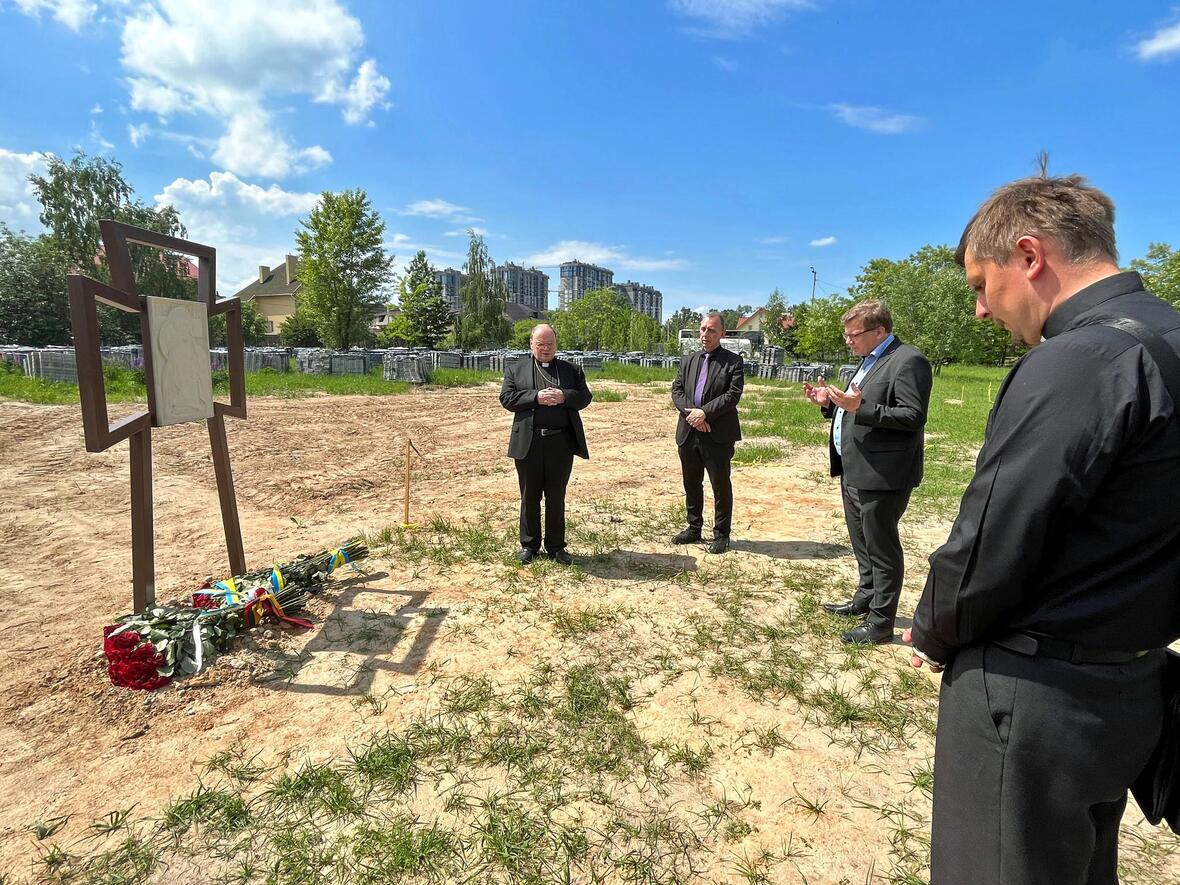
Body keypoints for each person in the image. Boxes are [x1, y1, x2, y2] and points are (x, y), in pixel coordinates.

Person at [905, 171, 1180, 884]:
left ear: (1029, 256)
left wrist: (933, 627)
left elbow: (995, 533)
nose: (979, 311)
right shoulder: (1168, 341)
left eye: (979, 283)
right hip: (1132, 687)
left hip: (1033, 699)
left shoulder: (1078, 360)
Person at [803, 300, 932, 645]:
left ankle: (880, 623)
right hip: (855, 468)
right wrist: (830, 405)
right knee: (862, 542)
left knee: (882, 547)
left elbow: (912, 416)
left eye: (853, 335)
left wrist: (860, 406)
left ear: (879, 331)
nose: (848, 341)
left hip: (883, 473)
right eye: (846, 335)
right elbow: (855, 409)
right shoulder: (868, 362)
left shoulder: (908, 361)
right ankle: (865, 597)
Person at [499, 324, 592, 565]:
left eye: (550, 344)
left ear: (556, 344)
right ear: (531, 344)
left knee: (556, 496)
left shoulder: (571, 370)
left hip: (560, 443)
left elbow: (585, 397)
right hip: (528, 443)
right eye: (540, 344)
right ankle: (529, 545)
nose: (545, 349)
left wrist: (564, 396)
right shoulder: (516, 370)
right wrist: (536, 397)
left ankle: (556, 547)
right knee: (529, 495)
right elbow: (507, 399)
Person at [670, 312, 744, 554]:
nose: (705, 334)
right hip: (689, 432)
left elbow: (732, 395)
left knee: (720, 485)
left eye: (711, 330)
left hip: (717, 434)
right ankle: (694, 527)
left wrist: (705, 414)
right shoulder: (688, 360)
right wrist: (693, 415)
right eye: (702, 329)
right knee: (691, 482)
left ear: (722, 333)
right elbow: (677, 390)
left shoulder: (733, 362)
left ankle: (722, 534)